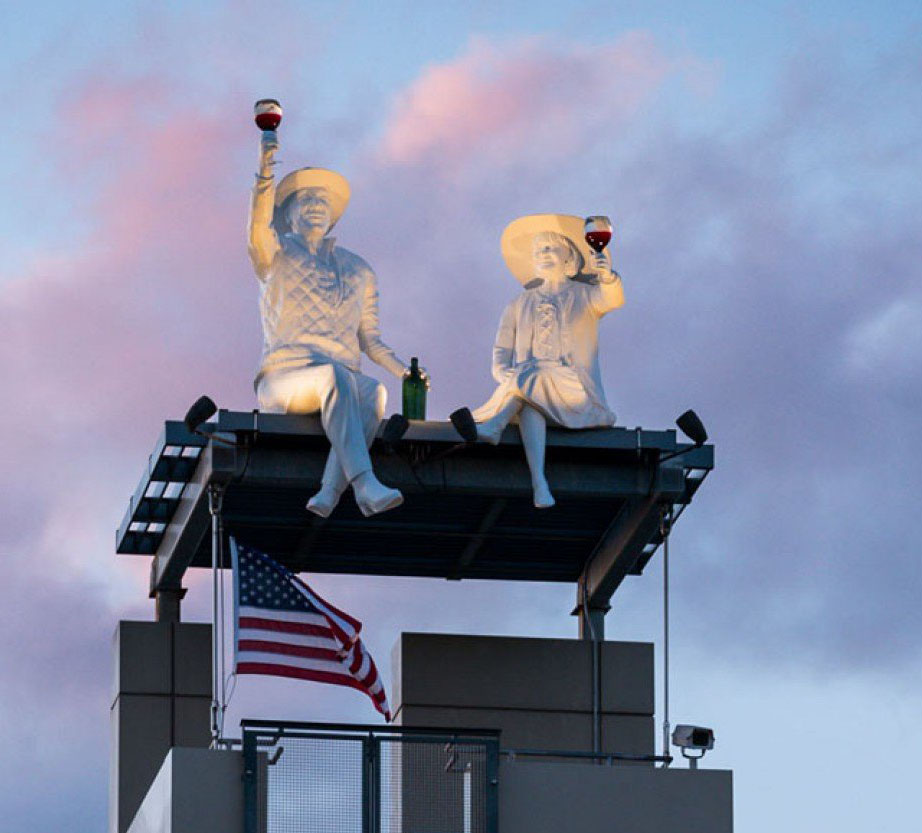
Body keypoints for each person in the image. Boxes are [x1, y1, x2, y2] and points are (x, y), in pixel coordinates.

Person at [248, 129, 418, 517]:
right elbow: (257, 229)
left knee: (373, 392)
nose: (316, 206)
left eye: (323, 202)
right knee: (334, 377)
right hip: (284, 378)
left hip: (341, 380)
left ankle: (328, 493)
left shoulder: (359, 270)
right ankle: (364, 484)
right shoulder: (275, 254)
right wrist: (264, 169)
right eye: (306, 200)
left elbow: (370, 339)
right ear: (288, 214)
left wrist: (405, 373)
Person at [455, 214, 624, 508]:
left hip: (575, 391)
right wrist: (504, 373)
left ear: (569, 257)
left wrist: (607, 276)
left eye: (549, 249)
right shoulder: (518, 304)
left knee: (533, 374)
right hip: (531, 387)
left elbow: (612, 299)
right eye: (538, 251)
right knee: (531, 398)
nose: (542, 255)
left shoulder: (585, 296)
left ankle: (495, 425)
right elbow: (501, 352)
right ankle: (539, 483)